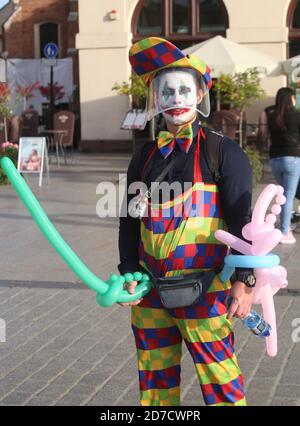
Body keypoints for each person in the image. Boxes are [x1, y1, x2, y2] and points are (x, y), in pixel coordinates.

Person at [118, 37, 254, 406]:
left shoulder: (222, 151)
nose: (176, 99)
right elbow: (129, 221)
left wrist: (245, 281)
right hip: (149, 294)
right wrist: (129, 272)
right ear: (156, 100)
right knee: (155, 388)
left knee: (221, 383)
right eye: (167, 91)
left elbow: (244, 224)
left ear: (198, 96)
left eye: (183, 90)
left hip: (207, 291)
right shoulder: (144, 156)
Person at [266, 87, 300, 244]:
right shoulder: (296, 115)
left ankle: (284, 227)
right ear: (291, 98)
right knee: (288, 196)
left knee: (284, 195)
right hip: (292, 158)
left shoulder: (270, 115)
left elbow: (265, 136)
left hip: (275, 159)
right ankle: (285, 232)